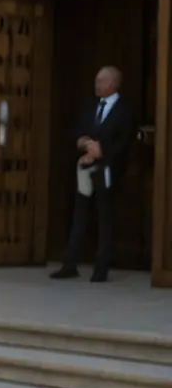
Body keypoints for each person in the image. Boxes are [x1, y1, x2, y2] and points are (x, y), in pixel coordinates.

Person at [51, 66, 134, 284]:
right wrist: (84, 143)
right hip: (85, 168)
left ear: (114, 84)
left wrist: (102, 151)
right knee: (79, 214)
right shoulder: (90, 106)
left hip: (107, 170)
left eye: (102, 81)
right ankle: (70, 264)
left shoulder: (125, 110)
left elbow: (124, 142)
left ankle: (102, 267)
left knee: (103, 216)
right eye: (96, 81)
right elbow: (77, 131)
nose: (97, 85)